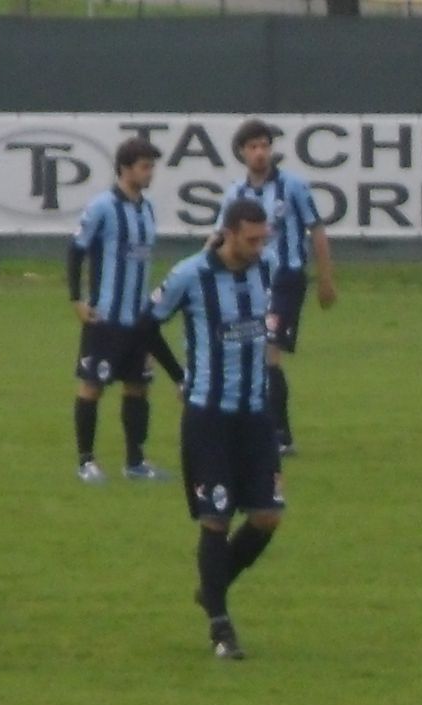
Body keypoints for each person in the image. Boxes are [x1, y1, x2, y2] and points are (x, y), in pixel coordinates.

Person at [148, 198, 283, 659]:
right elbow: (147, 324)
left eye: (263, 238)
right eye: (251, 239)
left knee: (267, 517)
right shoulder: (190, 274)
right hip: (209, 419)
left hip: (255, 416)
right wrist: (179, 377)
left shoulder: (267, 268)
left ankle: (212, 586)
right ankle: (221, 629)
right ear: (228, 233)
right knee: (216, 518)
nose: (259, 247)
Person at [212, 118, 337, 456]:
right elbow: (219, 237)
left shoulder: (293, 186)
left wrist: (326, 278)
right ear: (241, 152)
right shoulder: (235, 194)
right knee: (251, 353)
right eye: (253, 147)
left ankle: (280, 435)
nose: (260, 153)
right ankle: (260, 429)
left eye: (265, 146)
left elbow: (317, 230)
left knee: (269, 350)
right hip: (249, 281)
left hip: (285, 279)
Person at [68, 137, 180, 484]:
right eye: (145, 167)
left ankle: (135, 462)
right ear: (125, 168)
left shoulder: (147, 209)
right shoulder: (102, 207)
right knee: (92, 386)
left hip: (138, 319)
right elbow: (76, 250)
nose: (150, 173)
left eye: (152, 166)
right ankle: (86, 461)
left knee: (138, 387)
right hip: (105, 318)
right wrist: (77, 299)